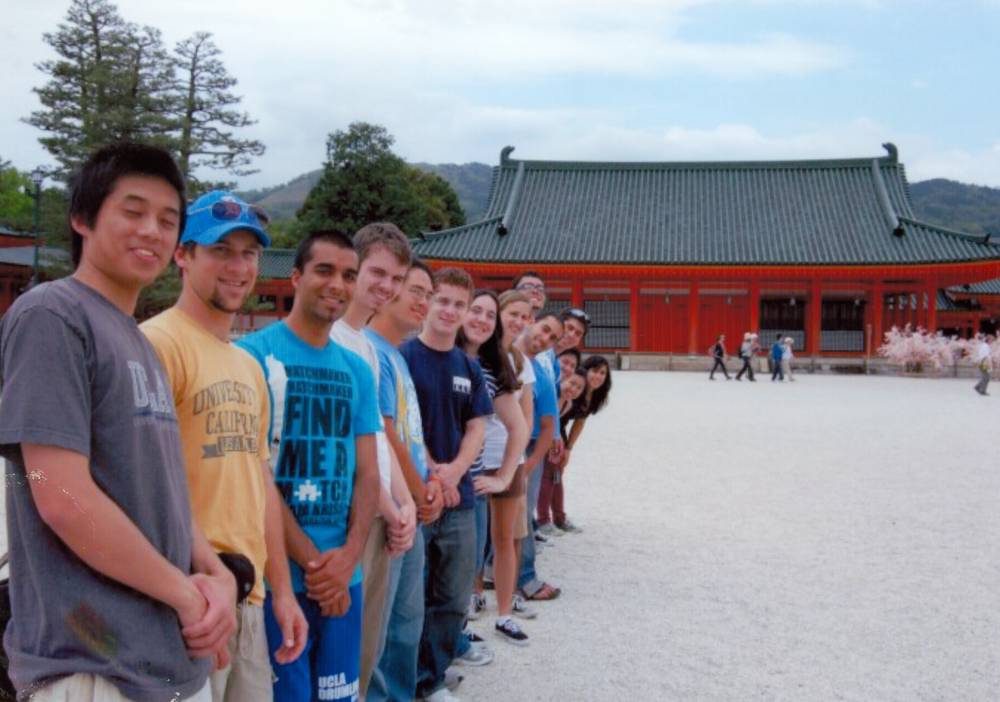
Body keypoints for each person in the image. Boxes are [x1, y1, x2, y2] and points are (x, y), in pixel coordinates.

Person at [0, 143, 236, 702]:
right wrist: (184, 593)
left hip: (167, 662)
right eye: (133, 212)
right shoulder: (51, 316)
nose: (152, 231)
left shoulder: (141, 342)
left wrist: (217, 574)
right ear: (83, 218)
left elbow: (164, 492)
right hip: (92, 669)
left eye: (167, 220)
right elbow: (56, 492)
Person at [142, 191, 307, 700]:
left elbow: (259, 484)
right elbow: (140, 481)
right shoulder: (158, 344)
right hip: (190, 596)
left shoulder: (246, 366)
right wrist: (186, 592)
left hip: (249, 596)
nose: (238, 267)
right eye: (221, 250)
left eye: (249, 253)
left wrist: (280, 589)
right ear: (183, 255)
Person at [237, 230, 381, 702]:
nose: (337, 284)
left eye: (348, 275)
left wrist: (350, 558)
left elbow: (368, 474)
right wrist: (319, 568)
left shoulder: (357, 369)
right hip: (280, 579)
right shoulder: (253, 358)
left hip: (345, 575)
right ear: (295, 277)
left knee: (339, 696)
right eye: (324, 270)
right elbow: (255, 477)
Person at [329, 223, 417, 698]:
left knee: (371, 643)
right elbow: (349, 442)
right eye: (378, 273)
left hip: (384, 508)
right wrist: (388, 505)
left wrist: (405, 506)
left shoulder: (369, 346)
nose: (386, 286)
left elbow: (381, 437)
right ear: (355, 267)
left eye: (396, 278)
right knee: (346, 643)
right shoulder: (336, 339)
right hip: (354, 510)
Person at [402, 268, 492, 702]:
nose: (450, 310)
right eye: (443, 300)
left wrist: (455, 470)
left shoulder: (468, 366)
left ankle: (431, 677)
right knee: (409, 600)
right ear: (427, 302)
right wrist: (434, 473)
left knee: (453, 595)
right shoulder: (401, 356)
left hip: (460, 499)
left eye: (460, 304)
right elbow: (400, 426)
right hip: (413, 496)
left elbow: (478, 424)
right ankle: (405, 680)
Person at [365, 260, 444, 702]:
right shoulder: (372, 352)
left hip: (412, 501)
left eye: (426, 294)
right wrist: (415, 490)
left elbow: (411, 434)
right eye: (415, 291)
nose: (423, 302)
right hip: (391, 507)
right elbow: (385, 431)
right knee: (383, 621)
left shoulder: (397, 353)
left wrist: (429, 477)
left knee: (406, 619)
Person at [460, 290, 531, 645]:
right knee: (467, 542)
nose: (517, 321)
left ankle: (503, 613)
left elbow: (524, 420)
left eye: (526, 316)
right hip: (468, 464)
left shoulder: (511, 360)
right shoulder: (455, 354)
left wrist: (512, 468)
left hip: (503, 456)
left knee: (503, 538)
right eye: (511, 313)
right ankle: (465, 611)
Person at [514, 312, 564, 603]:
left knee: (522, 515)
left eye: (552, 338)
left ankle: (526, 577)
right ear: (531, 322)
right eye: (544, 330)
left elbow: (548, 424)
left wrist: (531, 465)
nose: (544, 339)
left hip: (529, 448)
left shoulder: (541, 374)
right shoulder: (499, 357)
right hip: (494, 445)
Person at [542, 356, 612, 534]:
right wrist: (553, 441)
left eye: (602, 373)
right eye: (595, 371)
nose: (598, 376)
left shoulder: (591, 395)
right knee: (549, 474)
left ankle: (559, 517)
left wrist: (569, 448)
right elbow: (552, 412)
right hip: (549, 427)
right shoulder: (573, 386)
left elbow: (580, 422)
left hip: (560, 430)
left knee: (558, 473)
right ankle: (543, 520)